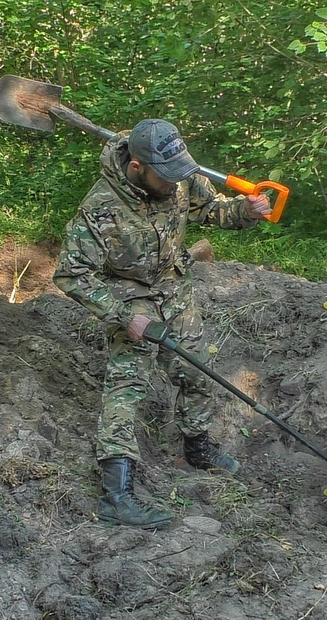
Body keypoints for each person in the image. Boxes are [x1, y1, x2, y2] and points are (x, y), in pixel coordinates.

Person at [53, 119, 273, 528]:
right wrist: (122, 316)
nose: (176, 184)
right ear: (136, 167)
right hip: (129, 296)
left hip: (175, 290)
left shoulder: (178, 174)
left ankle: (198, 448)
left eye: (180, 175)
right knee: (127, 386)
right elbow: (70, 274)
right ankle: (116, 497)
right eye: (166, 177)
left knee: (195, 371)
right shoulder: (100, 208)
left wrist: (246, 210)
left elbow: (211, 211)